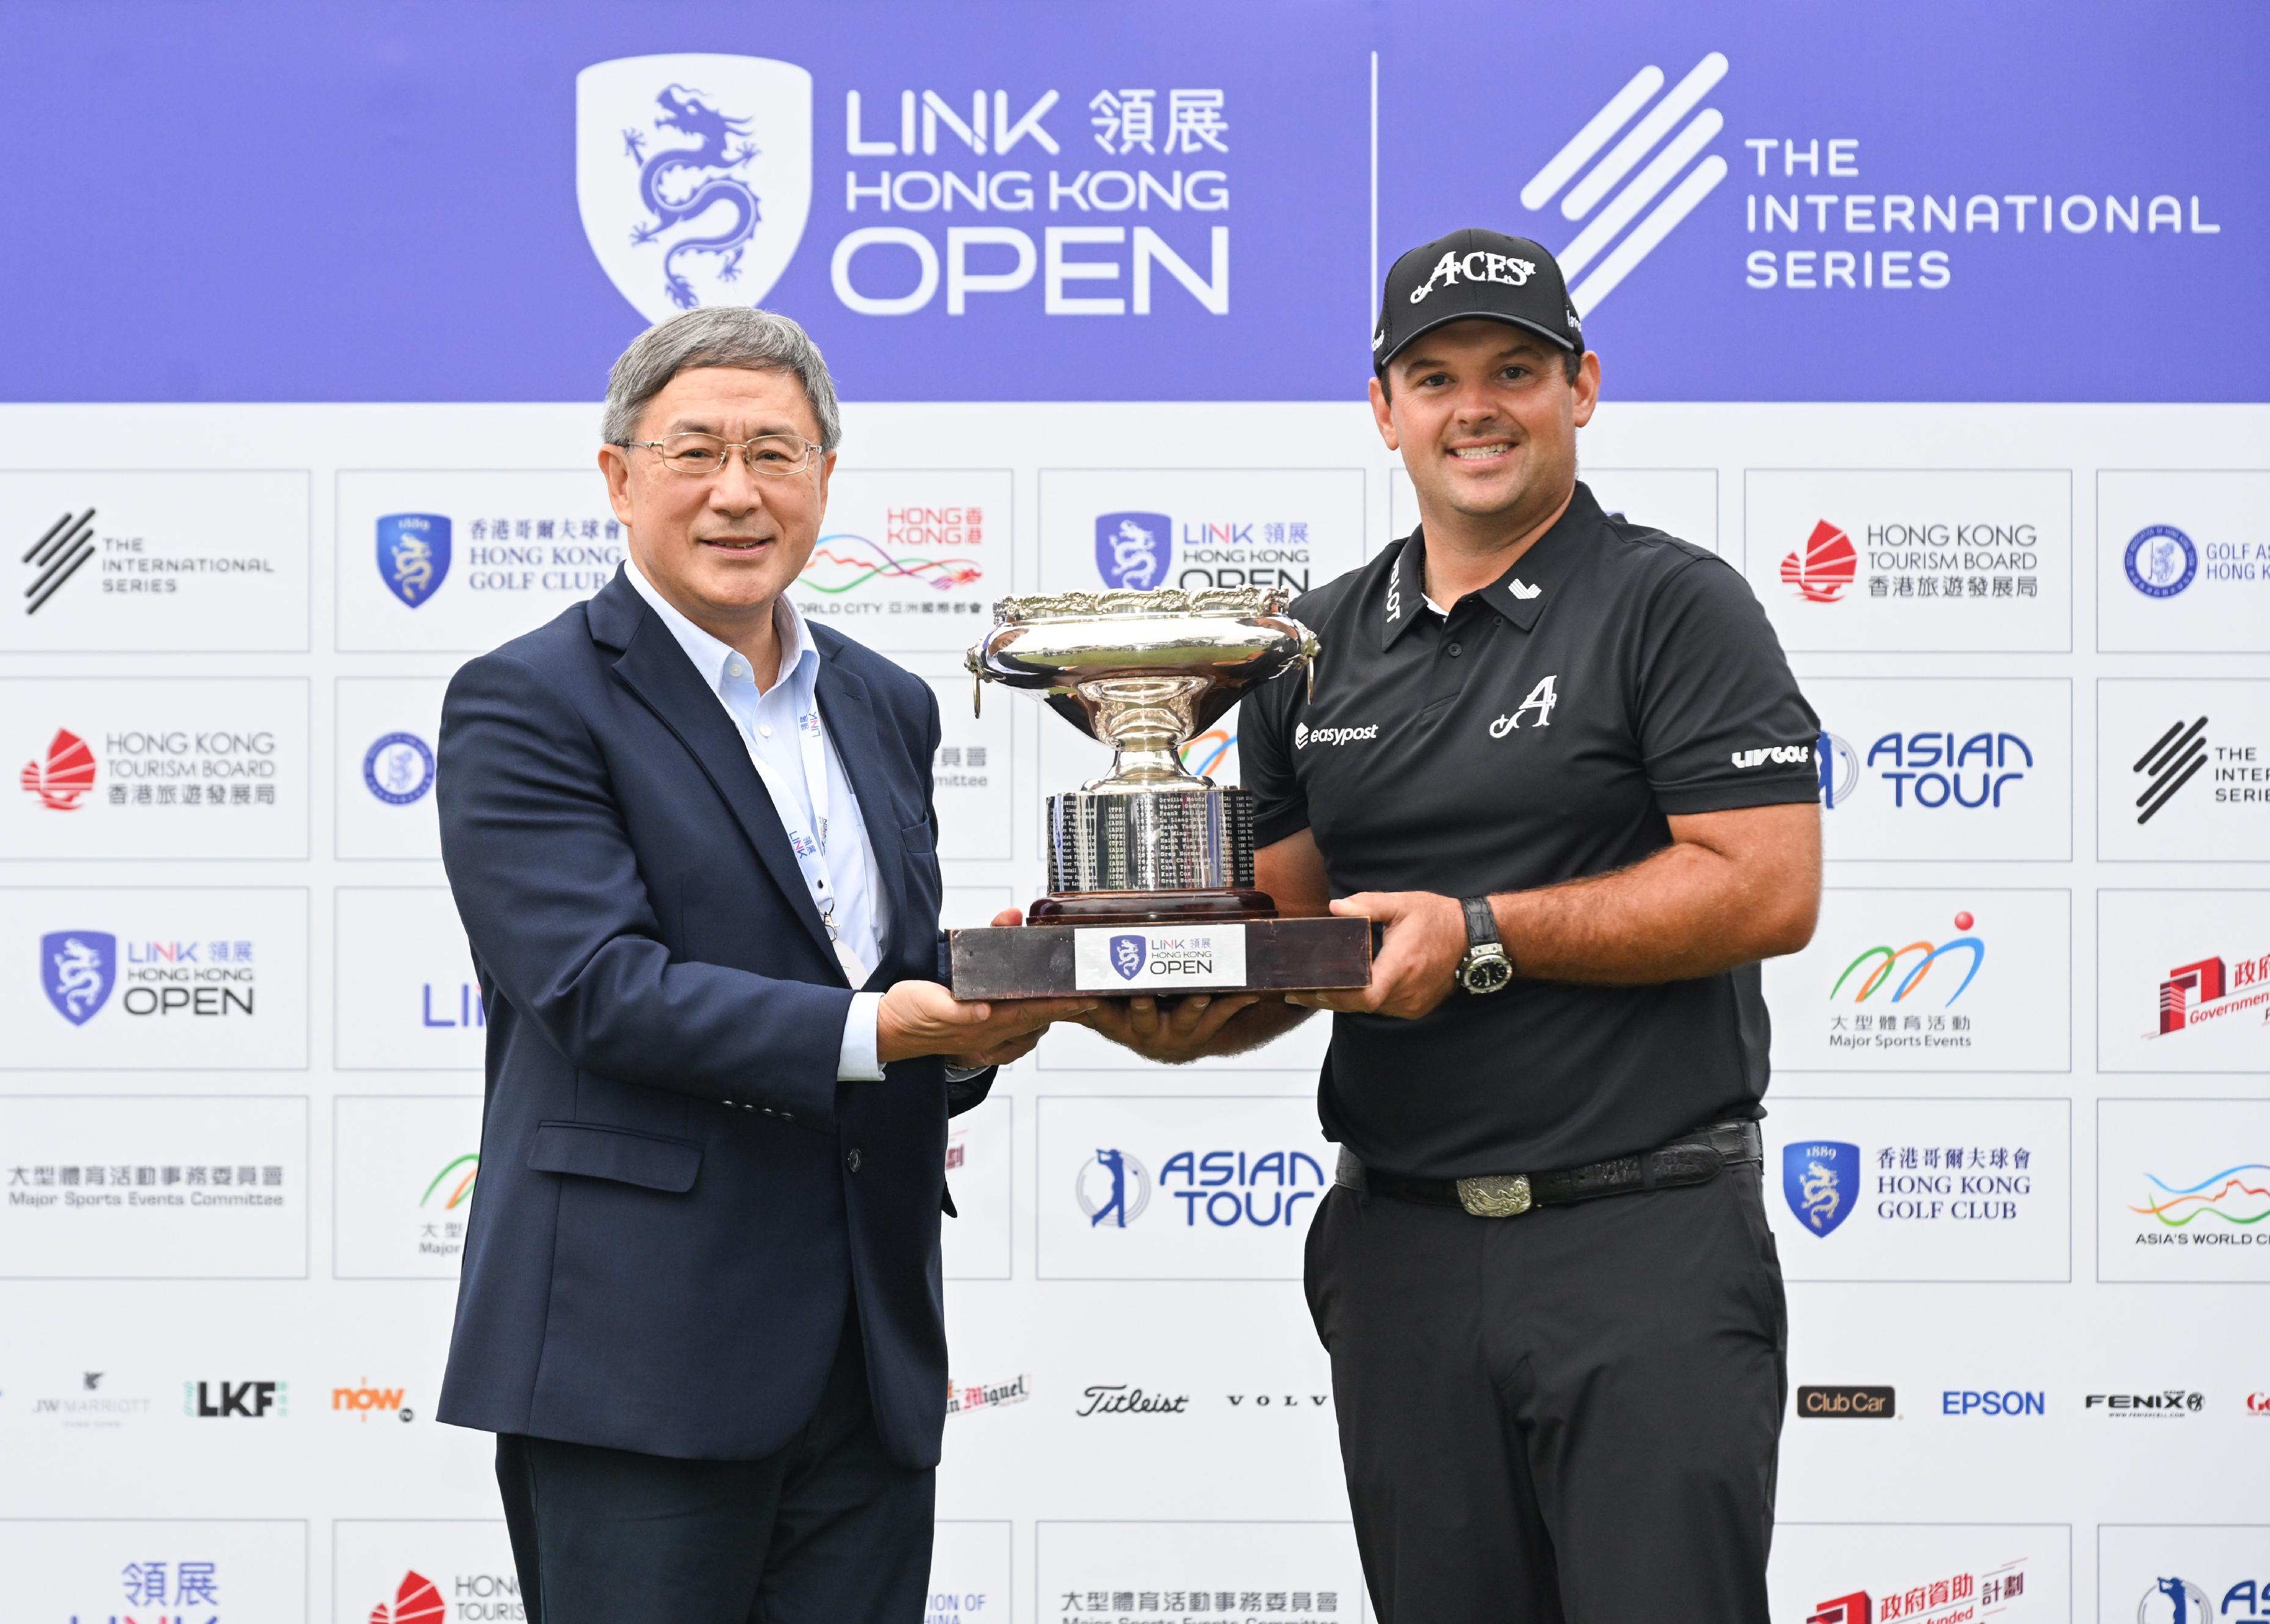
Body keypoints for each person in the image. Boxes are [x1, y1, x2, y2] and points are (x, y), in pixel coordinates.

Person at [1080, 227, 1824, 1621]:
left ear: (1581, 385)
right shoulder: (1304, 645)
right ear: (1382, 408)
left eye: (1513, 368)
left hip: (1640, 1238)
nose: (1472, 405)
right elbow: (1294, 946)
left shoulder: (1672, 603)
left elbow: (1763, 883)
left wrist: (1481, 931)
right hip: (1402, 1246)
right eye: (1432, 375)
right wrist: (1148, 993)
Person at [433, 306, 1093, 1623]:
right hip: (639, 1359)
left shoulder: (883, 701)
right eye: (695, 452)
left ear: (826, 480)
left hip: (868, 1352)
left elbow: (882, 974)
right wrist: (890, 1031)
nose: (738, 491)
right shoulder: (528, 701)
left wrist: (980, 1025)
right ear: (618, 476)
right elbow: (597, 989)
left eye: (776, 453)